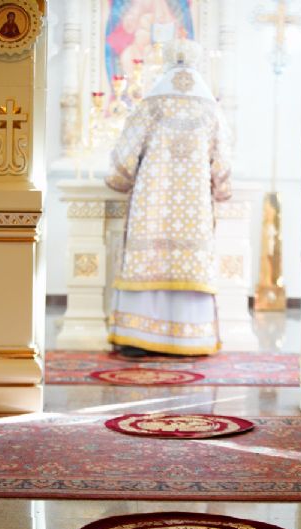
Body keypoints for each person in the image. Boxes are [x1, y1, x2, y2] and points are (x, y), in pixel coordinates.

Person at [105, 38, 232, 357]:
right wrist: (221, 188)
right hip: (194, 209)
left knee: (148, 259)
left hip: (152, 204)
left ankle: (138, 337)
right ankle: (190, 339)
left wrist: (119, 180)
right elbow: (223, 163)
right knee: (189, 264)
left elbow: (125, 157)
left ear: (166, 62)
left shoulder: (151, 104)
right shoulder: (210, 109)